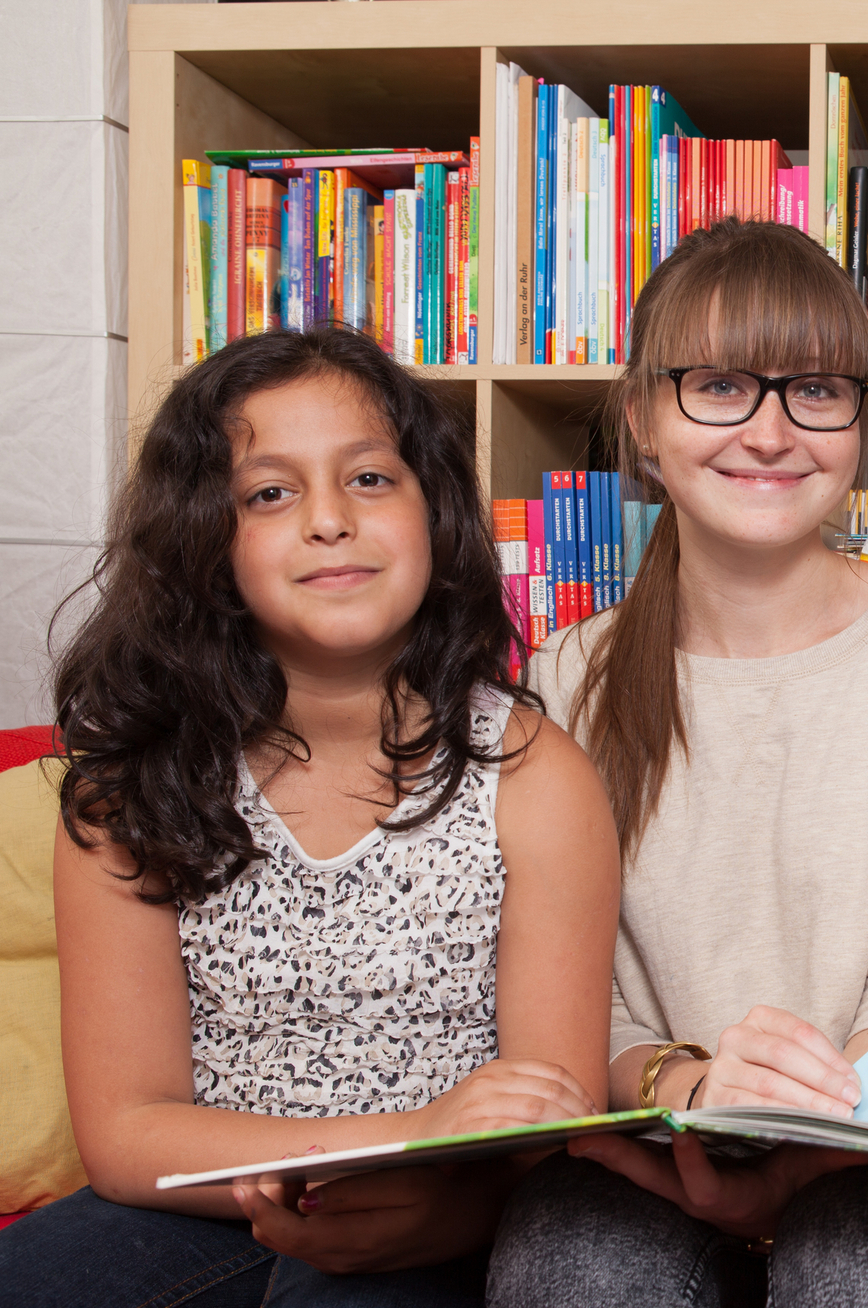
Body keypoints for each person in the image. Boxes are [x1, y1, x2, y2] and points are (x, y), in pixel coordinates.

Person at [485, 219, 868, 1308]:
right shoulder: (568, 674)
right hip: (654, 1137)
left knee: (861, 1266)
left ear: (859, 420)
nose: (772, 430)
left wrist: (800, 1161)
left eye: (817, 390)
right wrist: (687, 1087)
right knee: (572, 1261)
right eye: (720, 385)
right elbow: (571, 996)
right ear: (644, 418)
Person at [0, 326, 620, 1305]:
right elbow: (124, 1135)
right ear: (204, 541)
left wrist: (434, 1200)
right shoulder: (130, 791)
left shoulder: (536, 776)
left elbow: (545, 1122)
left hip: (449, 1214)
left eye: (370, 479)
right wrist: (383, 1143)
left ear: (435, 511)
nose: (329, 520)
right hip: (200, 1203)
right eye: (270, 493)